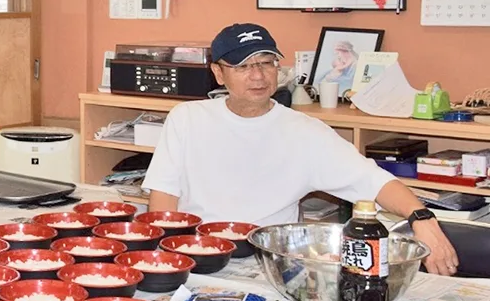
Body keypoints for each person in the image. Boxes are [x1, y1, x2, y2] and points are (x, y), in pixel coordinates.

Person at [142, 23, 458, 277]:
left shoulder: (304, 131)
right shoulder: (188, 118)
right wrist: (162, 260)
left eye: (266, 63)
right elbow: (163, 202)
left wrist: (422, 218)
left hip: (267, 265)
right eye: (243, 66)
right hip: (196, 257)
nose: (258, 75)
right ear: (218, 72)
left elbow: (373, 181)